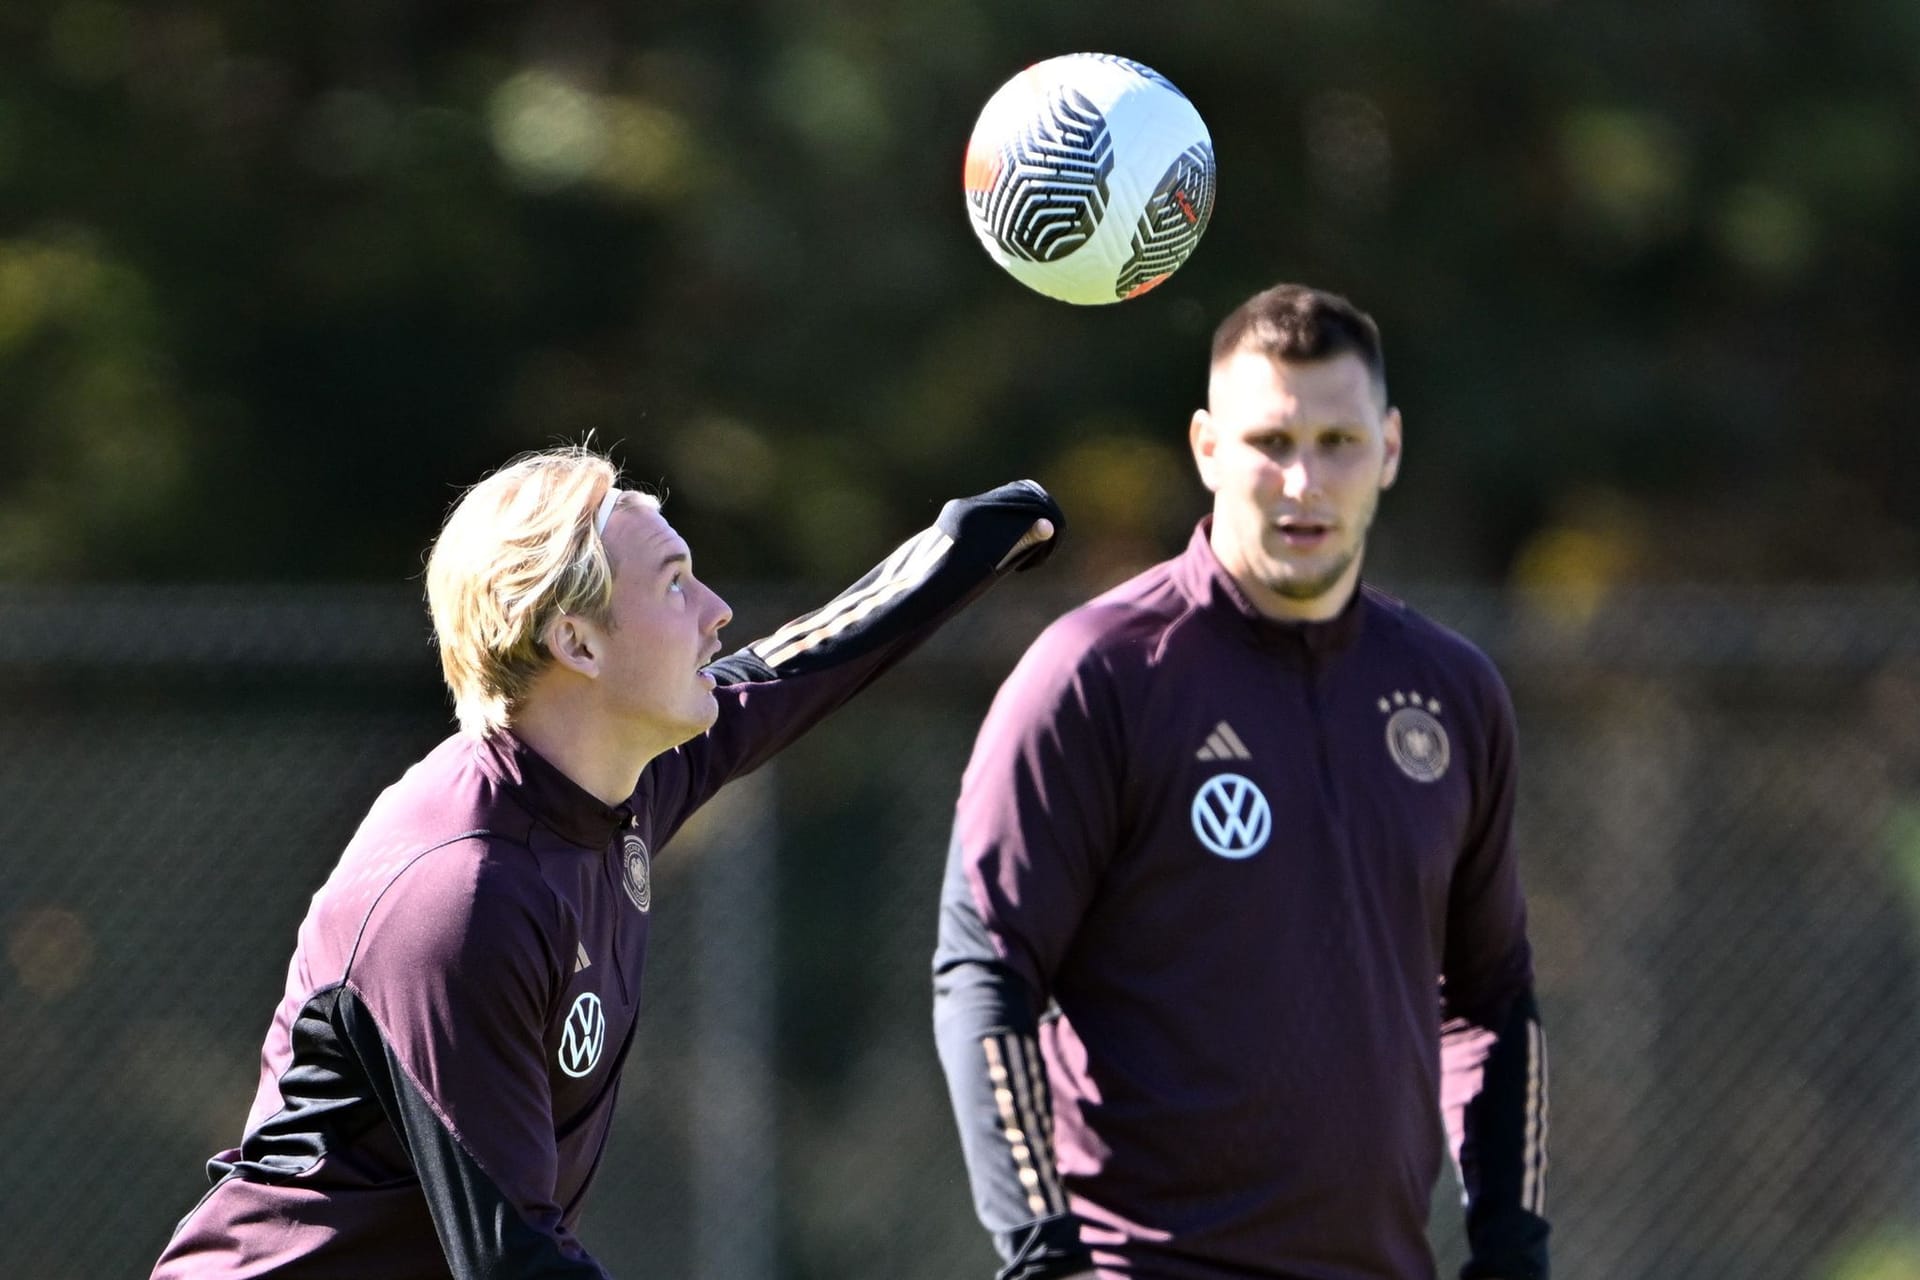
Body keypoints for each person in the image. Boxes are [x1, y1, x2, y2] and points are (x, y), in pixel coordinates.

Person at [150, 444, 1061, 1278]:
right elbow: (513, 1260)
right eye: (675, 586)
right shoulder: (462, 893)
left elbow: (784, 674)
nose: (717, 613)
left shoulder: (608, 779)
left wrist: (955, 554)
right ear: (576, 644)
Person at [933, 284, 1549, 1280]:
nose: (1303, 479)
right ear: (1207, 447)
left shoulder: (1452, 692)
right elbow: (984, 973)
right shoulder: (1096, 673)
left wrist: (1512, 1247)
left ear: (1389, 448)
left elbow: (1488, 999)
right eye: (1270, 440)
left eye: (1338, 441)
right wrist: (1044, 1255)